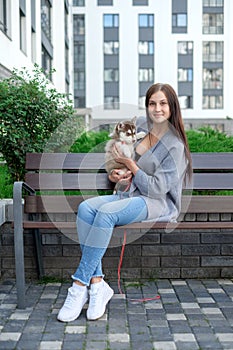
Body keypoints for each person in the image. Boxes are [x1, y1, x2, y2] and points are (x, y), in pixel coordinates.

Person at [57, 83, 192, 322]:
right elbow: (118, 159)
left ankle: (78, 286)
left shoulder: (175, 145)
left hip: (156, 203)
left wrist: (132, 166)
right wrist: (116, 174)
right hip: (129, 194)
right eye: (152, 103)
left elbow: (158, 188)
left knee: (106, 214)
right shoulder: (140, 127)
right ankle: (98, 285)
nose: (157, 109)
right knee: (86, 208)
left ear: (172, 107)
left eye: (163, 103)